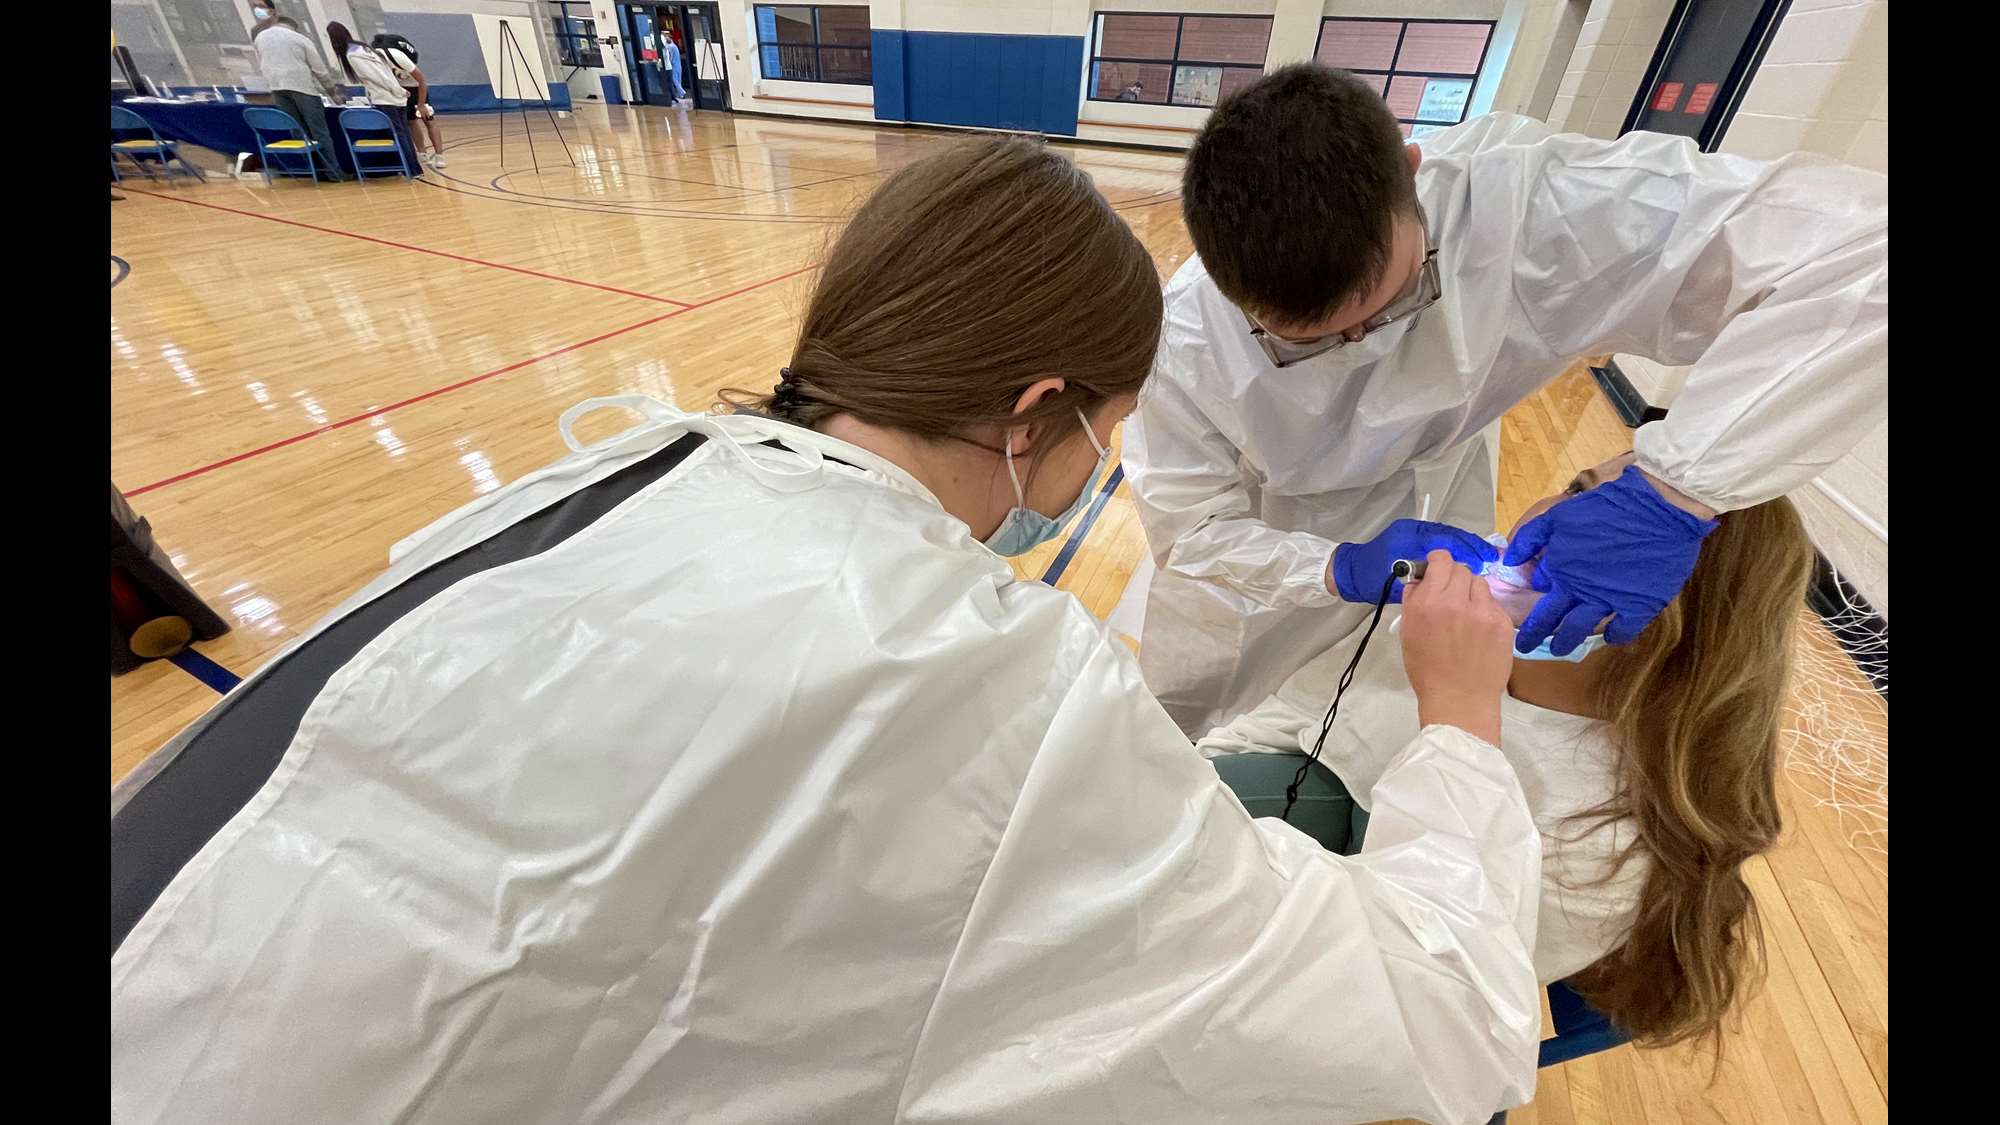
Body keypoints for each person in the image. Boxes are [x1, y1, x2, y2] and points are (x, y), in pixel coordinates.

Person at [112, 139, 1544, 1125]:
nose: (1102, 472)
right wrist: (1462, 727)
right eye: (1105, 434)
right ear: (1038, 412)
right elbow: (1424, 1013)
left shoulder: (626, 467)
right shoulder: (977, 670)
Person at [1121, 63, 1888, 734]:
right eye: (1309, 345)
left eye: (1393, 305)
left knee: (1397, 711)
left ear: (1414, 175)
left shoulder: (1534, 208)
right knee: (1203, 724)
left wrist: (1674, 490)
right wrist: (1339, 564)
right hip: (1275, 541)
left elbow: (1868, 252)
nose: (1367, 350)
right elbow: (1192, 533)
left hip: (1438, 487)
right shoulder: (1186, 342)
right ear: (1222, 283)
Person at [1198, 449, 1812, 1049]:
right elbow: (1292, 719)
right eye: (1576, 489)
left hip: (1397, 1002)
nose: (1557, 523)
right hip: (1326, 880)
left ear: (1673, 613)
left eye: (1607, 535)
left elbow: (1412, 1006)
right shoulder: (1459, 626)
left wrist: (1456, 712)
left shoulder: (1604, 837)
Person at [248, 2, 349, 181]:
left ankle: (314, 172)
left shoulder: (260, 38)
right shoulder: (299, 38)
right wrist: (332, 93)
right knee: (319, 132)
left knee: (298, 132)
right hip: (303, 88)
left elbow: (263, 63)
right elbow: (320, 70)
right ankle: (334, 173)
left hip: (277, 88)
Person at [326, 21, 416, 167]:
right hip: (395, 97)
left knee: (399, 134)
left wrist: (397, 89)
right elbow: (384, 73)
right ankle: (413, 167)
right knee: (403, 132)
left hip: (386, 98)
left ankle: (410, 168)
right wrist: (398, 89)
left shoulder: (353, 55)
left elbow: (378, 77)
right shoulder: (364, 48)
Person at [373, 32, 444, 168]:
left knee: (428, 120)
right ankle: (422, 152)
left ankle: (440, 155)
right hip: (401, 90)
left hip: (417, 88)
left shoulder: (397, 55)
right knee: (411, 122)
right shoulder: (375, 58)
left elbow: (422, 80)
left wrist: (422, 104)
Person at [664, 27, 687, 104]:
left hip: (674, 65)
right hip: (679, 65)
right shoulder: (675, 46)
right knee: (678, 80)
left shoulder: (670, 47)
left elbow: (670, 57)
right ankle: (681, 94)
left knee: (674, 80)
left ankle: (682, 92)